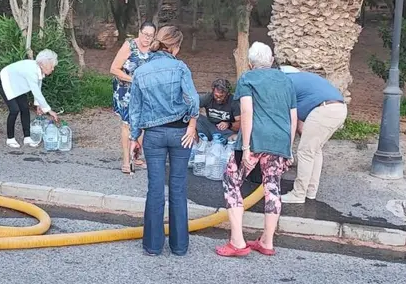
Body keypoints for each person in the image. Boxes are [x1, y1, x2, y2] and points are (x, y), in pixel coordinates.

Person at [217, 42, 296, 258]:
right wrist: (288, 148)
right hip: (279, 141)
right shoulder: (286, 80)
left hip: (255, 140)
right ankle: (267, 241)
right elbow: (293, 116)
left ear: (250, 64)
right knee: (272, 186)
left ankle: (237, 241)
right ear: (271, 61)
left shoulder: (247, 78)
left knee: (231, 181)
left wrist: (245, 148)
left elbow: (246, 111)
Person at [128, 25, 199, 256]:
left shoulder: (141, 71)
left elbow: (135, 109)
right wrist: (192, 125)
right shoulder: (180, 67)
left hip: (154, 135)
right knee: (178, 189)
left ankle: (153, 245)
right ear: (175, 47)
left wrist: (134, 138)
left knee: (155, 189)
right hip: (181, 135)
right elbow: (192, 100)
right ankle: (179, 246)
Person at [279, 65, 347, 204]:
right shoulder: (305, 80)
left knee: (305, 152)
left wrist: (287, 150)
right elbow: (300, 124)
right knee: (314, 150)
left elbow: (292, 122)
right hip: (339, 108)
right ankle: (310, 191)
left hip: (324, 110)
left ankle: (298, 194)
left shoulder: (286, 82)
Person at [110, 20, 156, 173]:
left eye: (151, 36)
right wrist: (134, 80)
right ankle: (126, 160)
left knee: (142, 125)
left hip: (145, 92)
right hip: (126, 90)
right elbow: (114, 69)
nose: (147, 38)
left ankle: (136, 156)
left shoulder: (154, 49)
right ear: (139, 32)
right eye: (145, 34)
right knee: (127, 125)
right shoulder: (129, 45)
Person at [0, 49, 59, 148]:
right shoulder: (32, 72)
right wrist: (49, 110)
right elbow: (36, 91)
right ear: (44, 65)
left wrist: (37, 104)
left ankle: (27, 137)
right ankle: (10, 138)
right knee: (14, 110)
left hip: (17, 83)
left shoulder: (39, 70)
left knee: (25, 108)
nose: (53, 69)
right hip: (5, 81)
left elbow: (38, 86)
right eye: (52, 66)